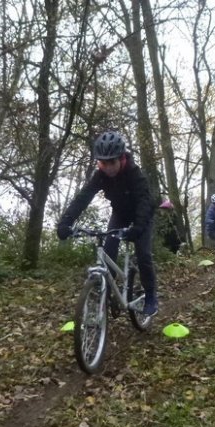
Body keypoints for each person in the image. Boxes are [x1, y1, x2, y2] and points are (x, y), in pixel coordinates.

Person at [56, 130, 159, 316]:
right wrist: (66, 222)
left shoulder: (135, 174)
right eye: (103, 163)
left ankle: (151, 295)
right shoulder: (101, 175)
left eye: (112, 162)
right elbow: (83, 197)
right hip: (120, 214)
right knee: (109, 251)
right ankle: (108, 294)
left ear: (121, 158)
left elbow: (145, 202)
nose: (108, 167)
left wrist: (138, 228)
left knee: (143, 254)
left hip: (141, 216)